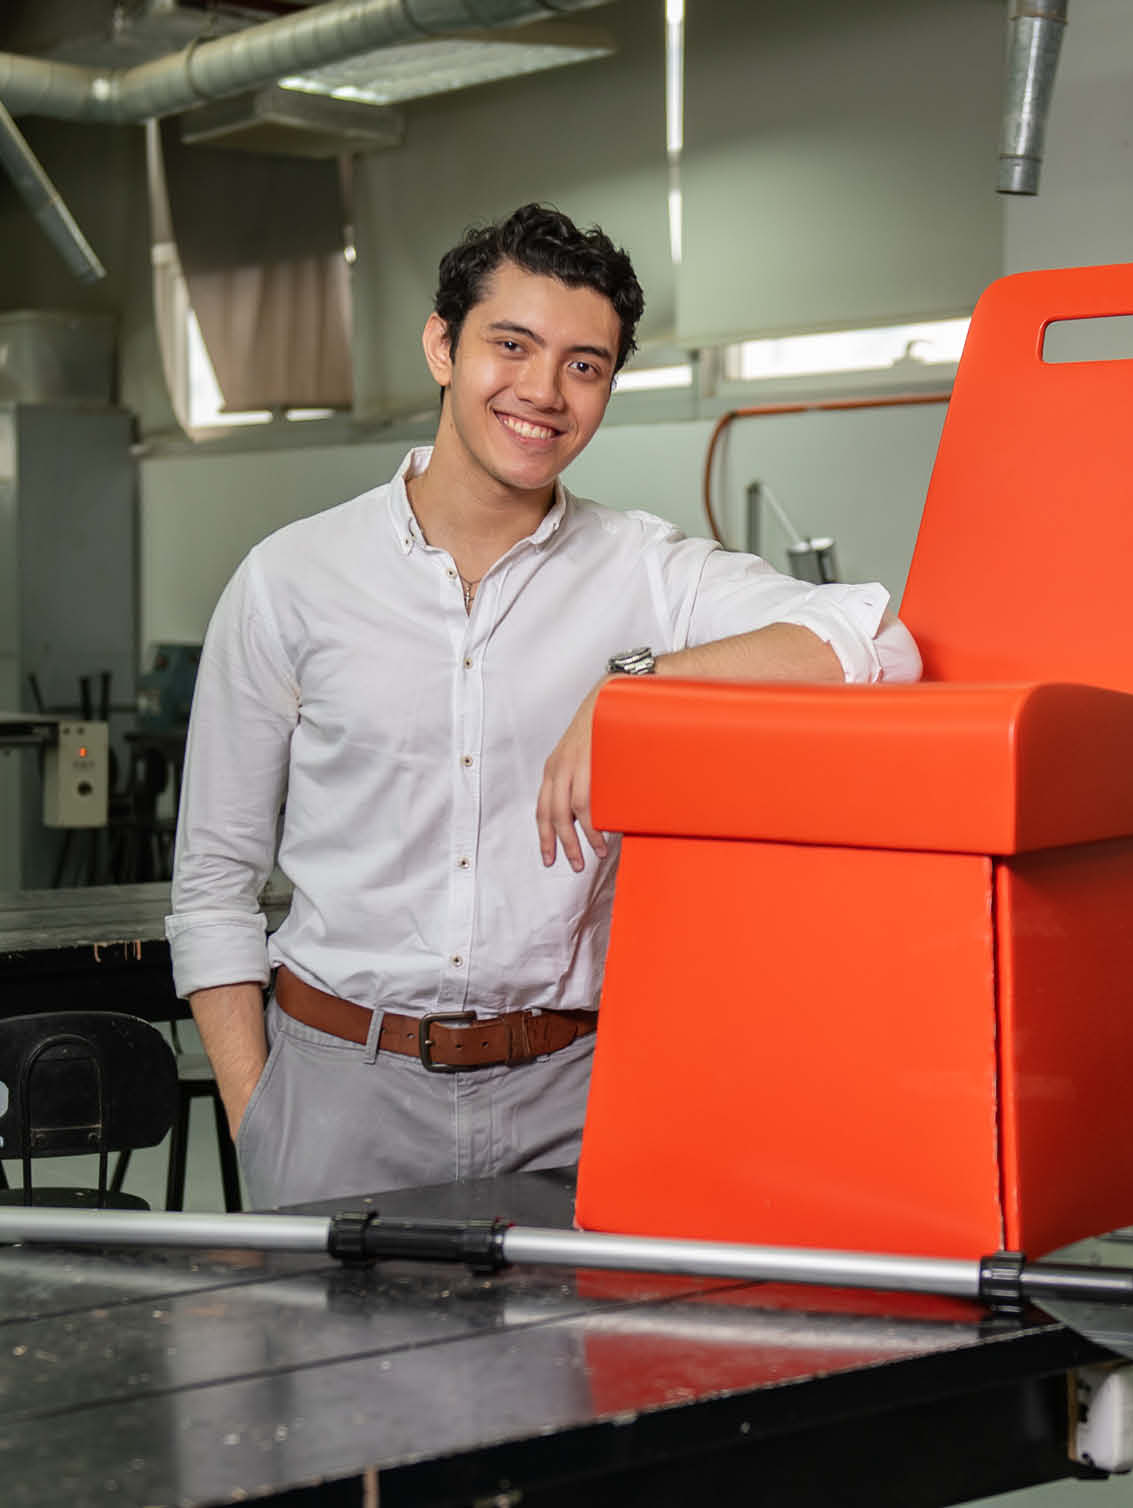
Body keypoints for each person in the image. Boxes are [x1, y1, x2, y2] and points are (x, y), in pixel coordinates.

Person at [166, 203, 921, 1209]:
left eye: (585, 364)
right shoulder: (290, 580)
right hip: (340, 1095)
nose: (542, 391)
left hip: (575, 1096)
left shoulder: (644, 572)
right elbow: (213, 882)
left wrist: (638, 684)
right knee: (327, 1371)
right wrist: (257, 1105)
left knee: (571, 1372)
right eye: (511, 345)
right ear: (442, 345)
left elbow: (879, 636)